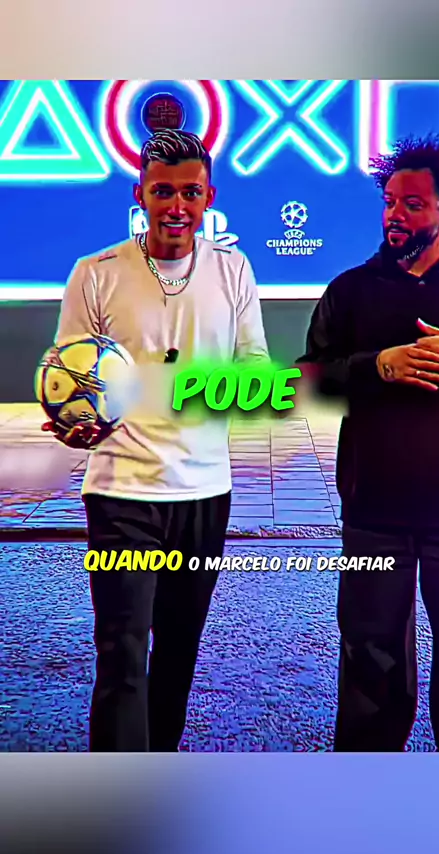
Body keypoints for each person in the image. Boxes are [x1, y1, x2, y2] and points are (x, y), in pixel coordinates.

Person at [44, 128, 269, 752]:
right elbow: (69, 375)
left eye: (190, 192)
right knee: (121, 652)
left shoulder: (233, 269)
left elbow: (254, 368)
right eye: (162, 191)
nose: (176, 205)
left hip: (204, 491)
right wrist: (73, 422)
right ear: (139, 194)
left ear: (208, 198)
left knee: (178, 650)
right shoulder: (96, 274)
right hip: (121, 491)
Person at [297, 135, 439, 751]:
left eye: (413, 204)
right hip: (374, 510)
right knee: (369, 663)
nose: (395, 214)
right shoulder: (351, 290)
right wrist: (377, 366)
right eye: (390, 202)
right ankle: (366, 790)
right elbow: (306, 384)